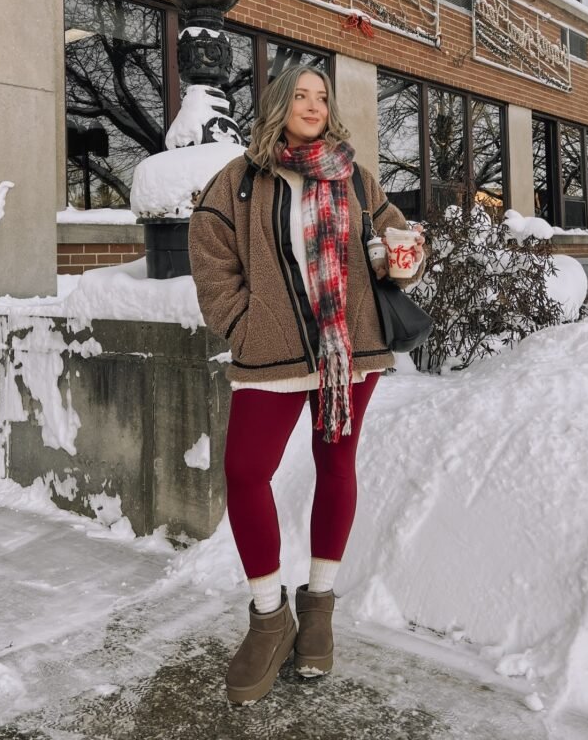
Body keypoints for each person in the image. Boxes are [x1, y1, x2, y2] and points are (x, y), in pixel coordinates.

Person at [188, 66, 425, 705]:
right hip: (271, 355)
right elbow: (210, 256)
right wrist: (241, 322)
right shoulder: (238, 181)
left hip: (351, 353)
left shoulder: (355, 175)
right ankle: (269, 617)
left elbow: (393, 236)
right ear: (278, 103)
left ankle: (317, 606)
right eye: (301, 94)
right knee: (245, 472)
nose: (314, 105)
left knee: (335, 466)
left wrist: (399, 253)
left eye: (322, 96)